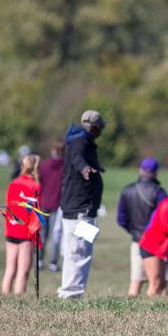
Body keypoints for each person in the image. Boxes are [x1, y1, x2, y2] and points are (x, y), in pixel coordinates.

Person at [57, 109, 106, 300]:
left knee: (76, 249)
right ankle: (71, 294)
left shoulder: (77, 140)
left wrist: (94, 167)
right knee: (79, 250)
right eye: (101, 127)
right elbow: (77, 159)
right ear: (94, 127)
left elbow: (76, 158)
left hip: (78, 207)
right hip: (81, 209)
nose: (101, 130)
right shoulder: (80, 142)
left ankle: (72, 292)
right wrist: (85, 168)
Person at [116, 157, 167, 297]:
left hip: (137, 240)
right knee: (160, 282)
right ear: (156, 172)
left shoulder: (127, 190)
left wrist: (133, 232)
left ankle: (130, 312)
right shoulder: (159, 192)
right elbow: (165, 216)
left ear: (140, 170)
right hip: (156, 242)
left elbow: (121, 219)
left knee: (136, 280)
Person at [2, 153, 41, 296]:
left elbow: (7, 207)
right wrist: (37, 236)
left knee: (10, 268)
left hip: (11, 230)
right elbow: (36, 214)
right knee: (23, 271)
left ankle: (4, 296)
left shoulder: (13, 183)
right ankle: (19, 299)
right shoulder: (35, 186)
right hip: (25, 233)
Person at [38, 140, 65, 271]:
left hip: (43, 204)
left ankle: (40, 260)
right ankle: (53, 263)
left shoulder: (43, 166)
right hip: (58, 205)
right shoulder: (66, 167)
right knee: (56, 235)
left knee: (42, 234)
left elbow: (39, 185)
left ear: (53, 150)